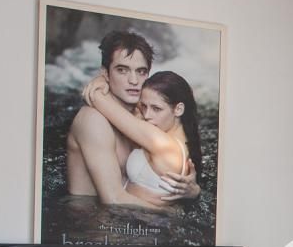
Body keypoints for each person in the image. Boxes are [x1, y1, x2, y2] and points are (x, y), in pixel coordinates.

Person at [65, 29, 199, 207]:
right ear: (105, 73)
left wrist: (194, 192)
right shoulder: (93, 120)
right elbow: (113, 200)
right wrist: (172, 214)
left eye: (141, 71)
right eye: (122, 70)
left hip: (131, 216)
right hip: (92, 219)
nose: (134, 80)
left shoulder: (143, 115)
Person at [85, 70, 201, 202]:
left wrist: (100, 82)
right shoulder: (181, 139)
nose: (146, 115)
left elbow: (97, 98)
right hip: (133, 210)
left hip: (130, 213)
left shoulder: (162, 143)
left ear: (178, 109)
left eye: (156, 109)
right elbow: (135, 107)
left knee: (88, 117)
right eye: (144, 106)